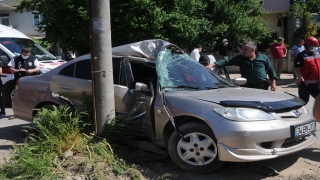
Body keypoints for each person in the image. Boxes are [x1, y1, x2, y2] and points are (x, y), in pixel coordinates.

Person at [208, 41, 278, 90]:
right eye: (242, 49)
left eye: (245, 49)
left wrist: (273, 84)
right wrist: (213, 65)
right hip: (247, 87)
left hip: (262, 86)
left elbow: (271, 71)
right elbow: (227, 61)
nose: (242, 51)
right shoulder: (240, 58)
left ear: (252, 49)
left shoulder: (263, 57)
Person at [7, 47, 40, 120]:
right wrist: (17, 70)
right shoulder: (15, 59)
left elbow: (38, 68)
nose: (26, 56)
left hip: (31, 81)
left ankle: (33, 112)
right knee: (18, 97)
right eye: (25, 54)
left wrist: (32, 70)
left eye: (28, 54)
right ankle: (16, 113)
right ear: (22, 53)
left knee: (32, 97)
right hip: (19, 81)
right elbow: (10, 68)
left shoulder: (33, 59)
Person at [294, 36, 320, 104]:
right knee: (302, 102)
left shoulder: (317, 54)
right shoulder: (301, 56)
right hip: (305, 84)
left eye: (316, 46)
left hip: (317, 84)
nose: (315, 48)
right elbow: (297, 69)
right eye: (314, 46)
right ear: (308, 46)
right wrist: (302, 80)